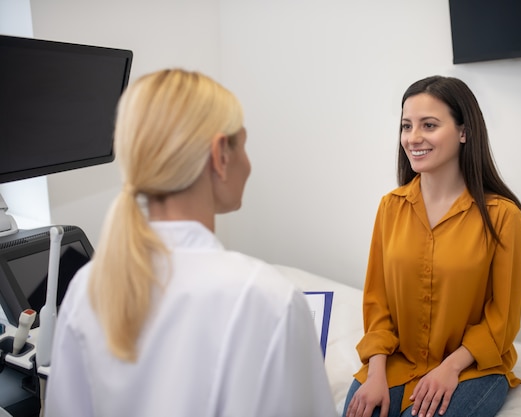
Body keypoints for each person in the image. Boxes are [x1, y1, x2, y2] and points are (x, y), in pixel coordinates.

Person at [44, 69, 336, 417]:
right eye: (243, 144)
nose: (249, 163)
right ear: (220, 155)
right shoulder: (268, 299)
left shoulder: (86, 288)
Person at [343, 76, 521, 417]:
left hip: (473, 368)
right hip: (397, 363)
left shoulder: (503, 216)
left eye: (429, 125)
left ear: (463, 131)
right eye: (406, 126)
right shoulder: (390, 207)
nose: (413, 138)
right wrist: (376, 372)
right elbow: (377, 301)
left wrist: (450, 368)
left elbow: (503, 317)